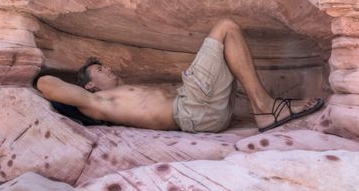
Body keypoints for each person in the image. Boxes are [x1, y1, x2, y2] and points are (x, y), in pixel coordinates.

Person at [36, 18, 324, 133]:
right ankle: (265, 108)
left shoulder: (124, 93)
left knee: (229, 44)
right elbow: (46, 84)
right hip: (193, 112)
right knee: (225, 26)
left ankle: (264, 106)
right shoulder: (96, 102)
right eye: (100, 70)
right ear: (89, 84)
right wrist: (40, 79)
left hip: (202, 110)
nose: (108, 68)